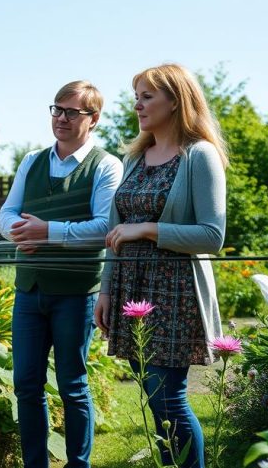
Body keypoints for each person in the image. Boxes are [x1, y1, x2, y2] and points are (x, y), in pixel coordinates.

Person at [94, 63, 227, 468]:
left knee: (169, 400)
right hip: (131, 291)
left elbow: (212, 236)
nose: (137, 104)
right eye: (137, 96)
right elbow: (116, 232)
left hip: (175, 293)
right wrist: (105, 290)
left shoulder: (199, 156)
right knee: (156, 404)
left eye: (147, 96)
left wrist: (149, 229)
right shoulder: (135, 157)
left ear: (176, 101)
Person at [0, 80, 122, 468]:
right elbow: (6, 214)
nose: (62, 119)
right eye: (57, 109)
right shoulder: (32, 160)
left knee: (73, 385)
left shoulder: (106, 164)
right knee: (26, 386)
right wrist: (18, 232)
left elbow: (105, 228)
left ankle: (78, 464)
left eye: (73, 112)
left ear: (94, 119)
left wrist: (46, 232)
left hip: (76, 292)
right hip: (28, 290)